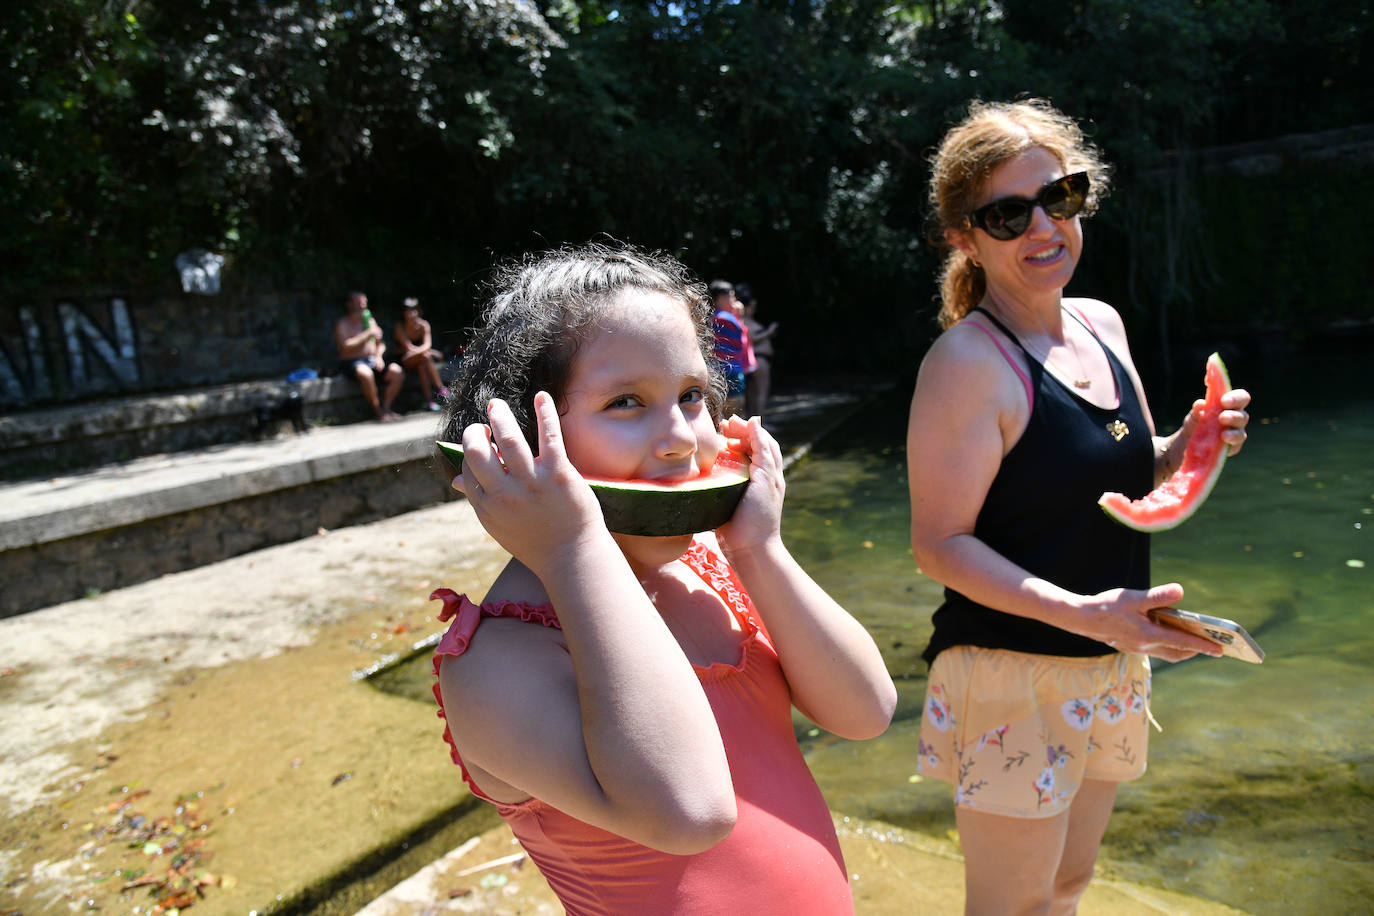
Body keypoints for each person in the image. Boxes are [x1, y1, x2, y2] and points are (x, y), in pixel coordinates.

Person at [432, 243, 897, 914]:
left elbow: (866, 711)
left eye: (691, 395)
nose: (680, 437)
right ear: (520, 444)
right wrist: (572, 548)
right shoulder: (495, 662)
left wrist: (760, 549)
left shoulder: (709, 566)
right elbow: (691, 813)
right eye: (626, 401)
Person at [905, 99, 1252, 915]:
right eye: (1008, 214)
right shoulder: (966, 363)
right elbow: (939, 543)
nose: (1043, 226)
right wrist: (1085, 614)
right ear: (964, 238)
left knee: (1066, 886)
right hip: (1011, 673)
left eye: (1060, 197)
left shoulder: (1101, 324)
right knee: (1012, 907)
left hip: (1111, 657)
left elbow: (1117, 482)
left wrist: (1190, 445)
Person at [334, 291, 404, 421]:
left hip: (373, 360)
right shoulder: (343, 324)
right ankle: (377, 410)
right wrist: (368, 333)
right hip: (353, 362)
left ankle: (386, 408)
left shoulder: (370, 321)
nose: (363, 305)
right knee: (366, 373)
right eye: (359, 302)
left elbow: (380, 344)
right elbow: (346, 346)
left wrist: (379, 357)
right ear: (349, 304)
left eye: (364, 302)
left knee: (397, 372)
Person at [392, 297, 450, 411]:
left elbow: (427, 345)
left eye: (414, 310)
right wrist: (431, 352)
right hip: (404, 360)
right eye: (408, 311)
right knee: (426, 356)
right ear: (403, 313)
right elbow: (409, 348)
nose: (412, 314)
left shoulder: (424, 325)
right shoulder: (400, 327)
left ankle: (429, 402)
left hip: (421, 360)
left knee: (423, 364)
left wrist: (428, 351)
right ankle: (441, 388)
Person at [709, 279, 752, 416]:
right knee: (736, 414)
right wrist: (740, 316)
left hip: (715, 371)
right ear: (722, 298)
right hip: (732, 371)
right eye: (732, 296)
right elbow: (743, 339)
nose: (734, 300)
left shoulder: (710, 317)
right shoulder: (726, 318)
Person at [735, 283, 779, 418]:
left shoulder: (748, 321)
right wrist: (769, 332)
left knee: (755, 393)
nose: (754, 310)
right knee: (761, 392)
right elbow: (750, 338)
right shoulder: (743, 321)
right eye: (752, 307)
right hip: (758, 358)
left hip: (759, 359)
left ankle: (757, 420)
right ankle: (760, 422)